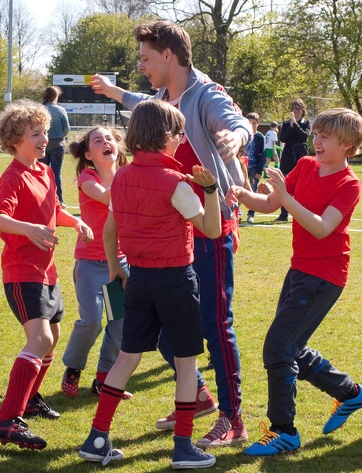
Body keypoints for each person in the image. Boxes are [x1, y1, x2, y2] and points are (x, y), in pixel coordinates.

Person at [90, 20, 250, 449]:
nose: (141, 65)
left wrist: (235, 138)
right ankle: (195, 393)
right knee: (163, 327)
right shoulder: (161, 100)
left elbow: (234, 122)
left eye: (145, 57)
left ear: (169, 55)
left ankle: (234, 419)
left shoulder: (206, 93)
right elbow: (141, 102)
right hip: (171, 231)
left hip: (210, 226)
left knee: (215, 325)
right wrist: (112, 91)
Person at [78, 99, 220, 469]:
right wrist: (211, 190)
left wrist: (115, 269)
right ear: (166, 137)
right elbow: (213, 229)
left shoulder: (121, 177)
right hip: (175, 279)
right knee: (187, 364)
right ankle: (184, 446)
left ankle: (97, 438)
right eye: (180, 133)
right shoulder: (176, 182)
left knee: (127, 358)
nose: (182, 139)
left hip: (137, 276)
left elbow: (110, 230)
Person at [226, 108, 362, 456]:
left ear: (348, 144)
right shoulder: (305, 165)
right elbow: (269, 203)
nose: (315, 141)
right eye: (316, 134)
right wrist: (241, 193)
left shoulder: (348, 184)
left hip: (325, 275)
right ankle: (350, 393)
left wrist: (287, 199)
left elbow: (322, 227)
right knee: (291, 348)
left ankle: (284, 431)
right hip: (299, 271)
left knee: (278, 348)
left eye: (325, 136)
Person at [0, 99, 93, 450]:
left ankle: (29, 400)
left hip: (47, 271)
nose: (45, 138)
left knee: (54, 335)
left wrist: (73, 220)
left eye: (45, 131)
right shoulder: (13, 176)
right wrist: (28, 229)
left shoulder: (44, 170)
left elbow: (54, 208)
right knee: (40, 340)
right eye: (36, 133)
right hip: (22, 271)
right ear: (16, 139)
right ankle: (7, 420)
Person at [60, 126, 133, 399]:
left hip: (120, 261)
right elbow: (106, 196)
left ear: (118, 147)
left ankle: (104, 378)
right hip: (90, 263)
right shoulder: (87, 177)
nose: (106, 142)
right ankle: (73, 367)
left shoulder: (127, 174)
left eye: (110, 139)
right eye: (98, 141)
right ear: (89, 154)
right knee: (91, 320)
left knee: (120, 322)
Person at [276, 99, 311, 222]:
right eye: (294, 108)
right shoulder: (286, 123)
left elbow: (304, 136)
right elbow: (284, 138)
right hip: (288, 157)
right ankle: (283, 214)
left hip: (301, 156)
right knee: (285, 185)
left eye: (298, 108)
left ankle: (301, 213)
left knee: (302, 186)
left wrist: (295, 124)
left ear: (303, 111)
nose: (296, 111)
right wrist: (291, 125)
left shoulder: (306, 123)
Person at [40, 86, 71, 207]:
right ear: (55, 97)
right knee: (56, 174)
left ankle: (42, 199)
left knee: (42, 173)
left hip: (42, 144)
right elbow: (66, 129)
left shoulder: (40, 109)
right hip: (58, 144)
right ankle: (60, 201)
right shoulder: (60, 110)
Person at [245, 113, 265, 224]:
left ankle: (251, 214)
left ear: (258, 124)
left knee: (252, 190)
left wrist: (259, 171)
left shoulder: (259, 137)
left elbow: (262, 154)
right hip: (242, 167)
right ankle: (236, 213)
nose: (251, 125)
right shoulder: (243, 134)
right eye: (249, 123)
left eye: (253, 123)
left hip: (253, 167)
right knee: (238, 188)